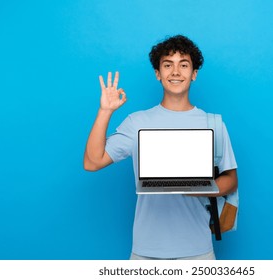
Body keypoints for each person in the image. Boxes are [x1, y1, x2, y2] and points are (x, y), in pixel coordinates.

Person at [84, 35, 238, 260]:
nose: (176, 72)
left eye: (183, 65)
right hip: (146, 253)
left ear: (194, 73)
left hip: (198, 252)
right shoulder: (137, 122)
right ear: (158, 73)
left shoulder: (213, 124)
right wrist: (105, 111)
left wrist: (195, 186)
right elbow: (92, 161)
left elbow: (231, 180)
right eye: (168, 65)